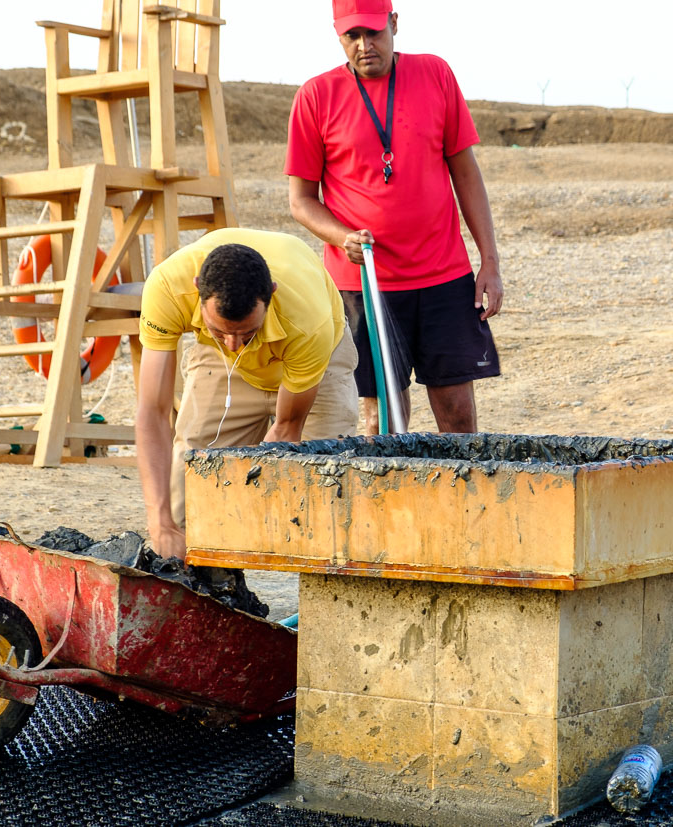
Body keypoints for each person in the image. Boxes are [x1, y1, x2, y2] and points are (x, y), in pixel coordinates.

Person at [285, 0, 503, 434]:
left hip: (443, 274)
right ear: (338, 34)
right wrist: (342, 236)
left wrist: (490, 262)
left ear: (394, 24)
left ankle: (458, 501)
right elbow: (301, 201)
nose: (364, 45)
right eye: (352, 36)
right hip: (363, 283)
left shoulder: (435, 74)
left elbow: (466, 172)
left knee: (458, 414)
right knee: (383, 418)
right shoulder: (315, 95)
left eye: (373, 33)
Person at [136, 228, 359, 560]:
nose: (234, 345)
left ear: (271, 294)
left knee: (322, 491)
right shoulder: (168, 287)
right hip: (220, 364)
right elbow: (153, 410)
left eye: (247, 332)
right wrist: (161, 523)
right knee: (191, 487)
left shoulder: (307, 320)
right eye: (219, 330)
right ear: (197, 289)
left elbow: (286, 429)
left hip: (312, 359)